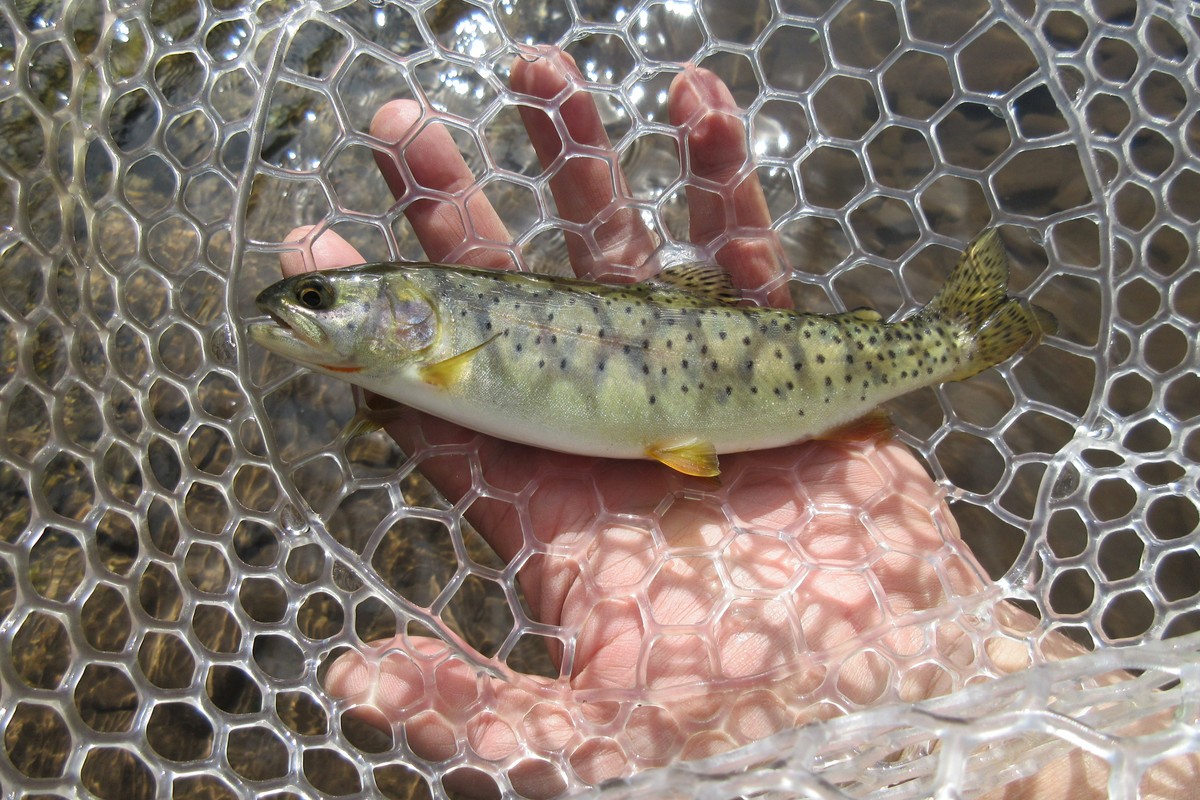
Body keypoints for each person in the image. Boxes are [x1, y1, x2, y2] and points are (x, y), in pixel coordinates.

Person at [275, 47, 1193, 799]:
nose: (304, 308)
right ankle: (959, 335)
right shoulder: (421, 361)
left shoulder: (429, 354)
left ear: (404, 309)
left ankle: (957, 335)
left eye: (320, 298)